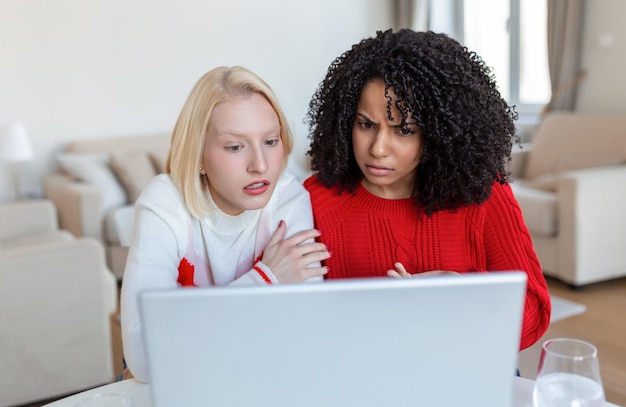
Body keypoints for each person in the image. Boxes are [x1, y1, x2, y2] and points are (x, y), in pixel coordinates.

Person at [303, 29, 551, 350]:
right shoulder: (316, 199)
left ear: (437, 134)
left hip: (462, 370)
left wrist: (460, 296)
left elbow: (534, 309)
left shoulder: (483, 194)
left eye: (403, 130)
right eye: (366, 124)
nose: (378, 148)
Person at [121, 66, 330, 383]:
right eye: (235, 147)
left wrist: (187, 335)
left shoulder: (290, 201)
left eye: (271, 141)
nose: (260, 165)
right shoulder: (164, 203)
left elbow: (299, 337)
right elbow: (144, 358)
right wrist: (265, 279)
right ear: (199, 156)